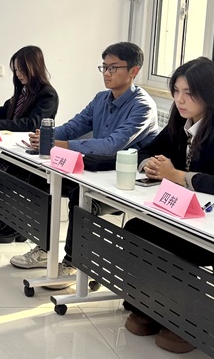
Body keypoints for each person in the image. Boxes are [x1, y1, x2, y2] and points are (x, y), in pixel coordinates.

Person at [121, 57, 214, 352]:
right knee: (137, 229)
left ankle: (184, 319)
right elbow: (148, 150)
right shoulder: (181, 118)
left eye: (189, 93)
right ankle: (145, 306)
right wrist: (150, 164)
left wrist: (176, 175)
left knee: (176, 245)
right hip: (186, 211)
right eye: (177, 91)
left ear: (209, 94)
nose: (180, 100)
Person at [16, 42, 159, 281]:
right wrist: (46, 136)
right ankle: (44, 249)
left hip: (123, 181)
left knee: (79, 196)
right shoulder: (101, 98)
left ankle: (73, 263)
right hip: (95, 169)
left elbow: (111, 145)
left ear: (134, 71)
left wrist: (59, 145)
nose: (107, 73)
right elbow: (75, 126)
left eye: (113, 68)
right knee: (40, 180)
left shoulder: (143, 106)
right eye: (104, 67)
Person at [0, 45, 58, 242]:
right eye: (16, 70)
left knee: (3, 175)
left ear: (34, 67)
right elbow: (4, 110)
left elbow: (31, 124)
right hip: (13, 151)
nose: (18, 74)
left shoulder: (47, 95)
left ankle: (15, 223)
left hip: (31, 155)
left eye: (21, 69)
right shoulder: (23, 91)